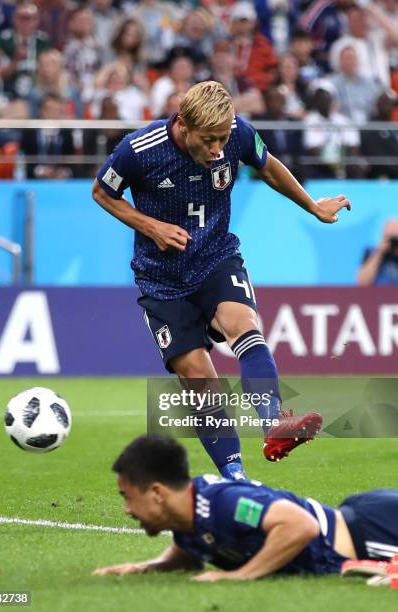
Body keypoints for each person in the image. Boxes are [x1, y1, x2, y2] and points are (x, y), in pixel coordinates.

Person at [92, 81, 350, 478]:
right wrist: (152, 227)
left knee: (243, 324)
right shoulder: (138, 151)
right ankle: (234, 475)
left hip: (215, 257)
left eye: (223, 139)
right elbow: (102, 193)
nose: (217, 150)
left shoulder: (238, 133)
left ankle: (273, 422)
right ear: (182, 125)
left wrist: (313, 206)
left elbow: (269, 168)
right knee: (198, 376)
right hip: (162, 281)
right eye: (208, 140)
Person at [93, 435, 398, 581]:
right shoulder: (188, 518)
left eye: (128, 497)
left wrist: (238, 576)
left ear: (157, 493)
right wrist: (143, 568)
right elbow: (190, 554)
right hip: (364, 524)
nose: (127, 510)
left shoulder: (223, 503)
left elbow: (301, 526)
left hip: (371, 532)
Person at [357, 219, 398, 286]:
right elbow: (362, 282)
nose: (392, 243)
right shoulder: (371, 251)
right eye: (389, 238)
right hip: (377, 294)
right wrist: (379, 253)